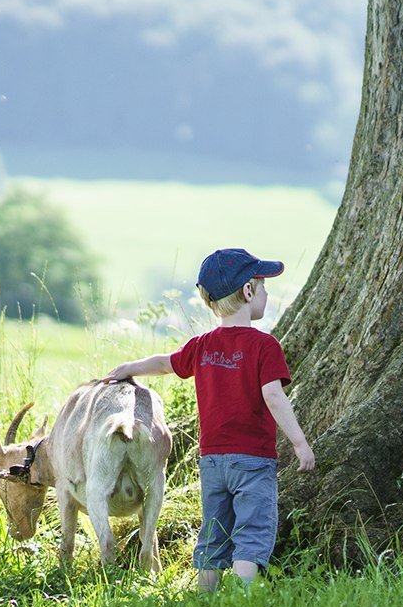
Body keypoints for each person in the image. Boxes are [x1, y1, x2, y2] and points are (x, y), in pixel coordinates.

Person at [106, 248, 314, 588]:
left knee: (214, 529)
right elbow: (274, 396)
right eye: (262, 287)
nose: (265, 294)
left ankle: (207, 596)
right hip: (254, 459)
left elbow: (164, 363)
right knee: (253, 529)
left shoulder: (202, 345)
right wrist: (300, 443)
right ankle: (244, 599)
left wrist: (129, 368)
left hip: (212, 460)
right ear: (248, 292)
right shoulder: (265, 346)